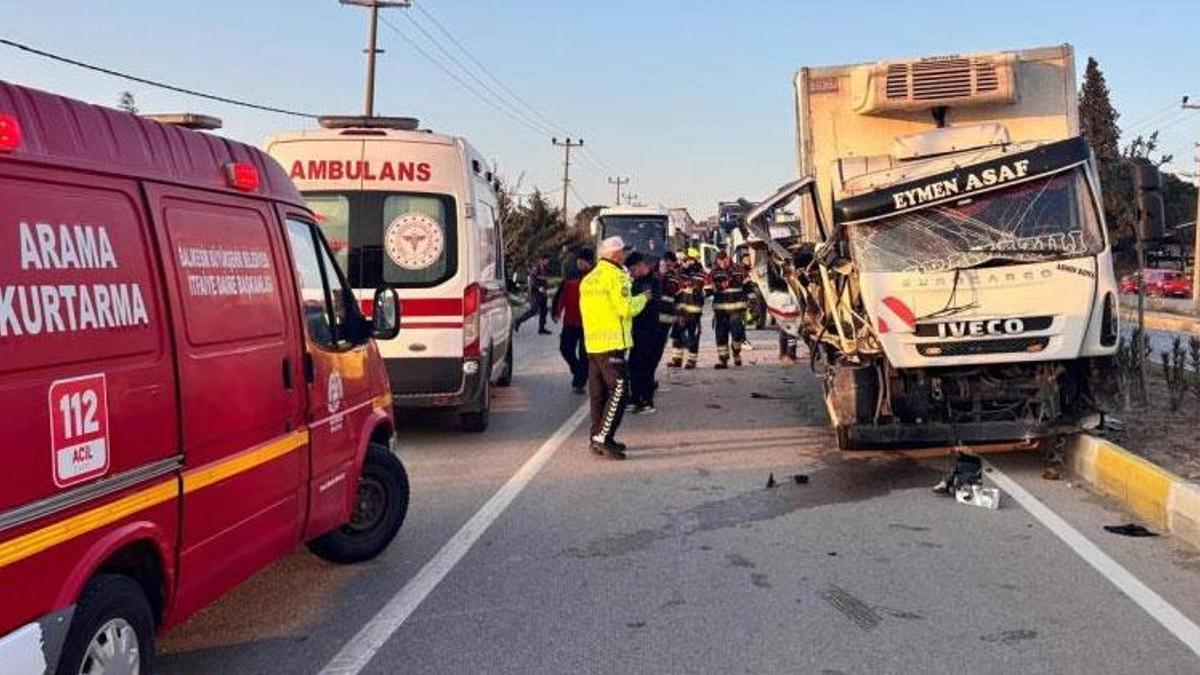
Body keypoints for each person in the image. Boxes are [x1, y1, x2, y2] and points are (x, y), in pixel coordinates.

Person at [580, 236, 651, 459]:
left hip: (593, 344)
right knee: (620, 390)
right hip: (612, 344)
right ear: (615, 254)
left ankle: (598, 437)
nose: (625, 255)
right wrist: (643, 298)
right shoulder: (617, 276)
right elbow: (625, 308)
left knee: (598, 393)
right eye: (623, 252)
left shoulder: (589, 278)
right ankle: (604, 436)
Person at [553, 247, 593, 393]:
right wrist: (556, 312)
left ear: (589, 262)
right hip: (570, 321)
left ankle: (580, 381)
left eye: (582, 261)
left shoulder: (595, 278)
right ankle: (577, 371)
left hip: (588, 323)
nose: (579, 264)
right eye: (578, 261)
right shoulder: (571, 276)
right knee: (565, 349)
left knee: (584, 354)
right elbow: (560, 295)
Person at [626, 252, 661, 414]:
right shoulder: (636, 282)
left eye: (633, 270)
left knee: (645, 366)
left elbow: (649, 306)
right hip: (637, 330)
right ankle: (635, 398)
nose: (631, 274)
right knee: (633, 365)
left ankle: (646, 401)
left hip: (650, 331)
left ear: (641, 265)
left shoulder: (652, 282)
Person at [707, 250, 752, 369]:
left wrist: (752, 300)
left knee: (737, 332)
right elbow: (707, 289)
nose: (723, 263)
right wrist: (718, 286)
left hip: (736, 308)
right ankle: (723, 360)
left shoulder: (739, 269)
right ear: (717, 260)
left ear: (729, 258)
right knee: (721, 334)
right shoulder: (714, 272)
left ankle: (736, 353)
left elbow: (748, 285)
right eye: (720, 261)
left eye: (725, 260)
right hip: (720, 310)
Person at [669, 249, 706, 369]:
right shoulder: (679, 273)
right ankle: (676, 359)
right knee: (677, 335)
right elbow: (673, 287)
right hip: (680, 311)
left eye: (691, 260)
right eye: (686, 260)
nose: (688, 263)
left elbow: (707, 289)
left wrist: (699, 291)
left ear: (695, 261)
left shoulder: (701, 274)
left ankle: (691, 360)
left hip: (694, 311)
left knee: (692, 336)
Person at [515, 254, 551, 334]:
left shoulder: (545, 268)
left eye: (547, 261)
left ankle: (542, 328)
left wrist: (545, 288)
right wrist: (539, 288)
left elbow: (545, 279)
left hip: (543, 292)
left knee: (544, 310)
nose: (547, 262)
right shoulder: (537, 268)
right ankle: (518, 321)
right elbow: (532, 279)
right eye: (546, 260)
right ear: (542, 260)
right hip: (535, 292)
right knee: (534, 309)